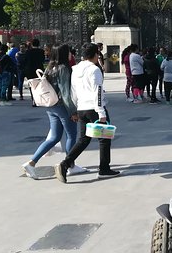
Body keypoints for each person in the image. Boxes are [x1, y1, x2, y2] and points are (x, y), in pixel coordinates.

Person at [54, 43, 120, 183]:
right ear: (96, 55)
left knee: (83, 139)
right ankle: (104, 169)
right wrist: (101, 112)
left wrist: (76, 108)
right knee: (104, 139)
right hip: (94, 108)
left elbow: (73, 92)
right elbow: (98, 92)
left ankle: (65, 164)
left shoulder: (75, 69)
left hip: (82, 107)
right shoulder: (94, 70)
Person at [22, 44, 87, 179]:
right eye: (69, 52)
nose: (71, 54)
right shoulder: (63, 68)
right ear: (64, 54)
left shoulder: (50, 67)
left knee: (54, 137)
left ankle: (31, 162)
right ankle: (70, 165)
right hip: (61, 105)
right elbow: (65, 92)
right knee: (71, 135)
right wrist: (73, 112)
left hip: (50, 105)